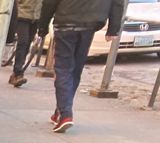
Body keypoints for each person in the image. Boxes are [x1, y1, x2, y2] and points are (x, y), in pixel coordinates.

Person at [39, 0, 126, 131]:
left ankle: (65, 113)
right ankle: (62, 110)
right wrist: (113, 28)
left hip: (66, 20)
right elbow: (117, 2)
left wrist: (42, 25)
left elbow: (49, 2)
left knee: (64, 68)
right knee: (75, 70)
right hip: (90, 22)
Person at [10, 0, 43, 86]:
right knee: (23, 42)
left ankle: (16, 72)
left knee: (27, 44)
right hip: (22, 15)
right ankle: (18, 73)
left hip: (35, 18)